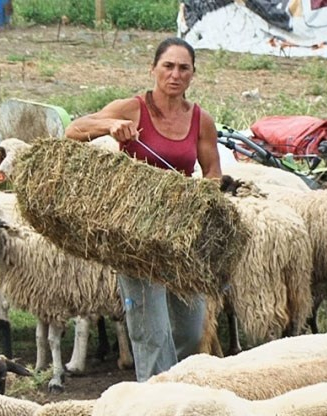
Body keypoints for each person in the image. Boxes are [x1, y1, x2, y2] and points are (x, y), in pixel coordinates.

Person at [64, 37, 222, 381]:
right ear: (153, 69)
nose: (175, 74)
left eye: (184, 68)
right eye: (168, 66)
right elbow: (73, 130)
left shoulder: (201, 120)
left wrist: (200, 194)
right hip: (138, 236)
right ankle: (154, 398)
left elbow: (213, 173)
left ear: (193, 75)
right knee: (152, 333)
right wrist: (109, 127)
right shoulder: (132, 108)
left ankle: (177, 391)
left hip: (182, 235)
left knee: (191, 332)